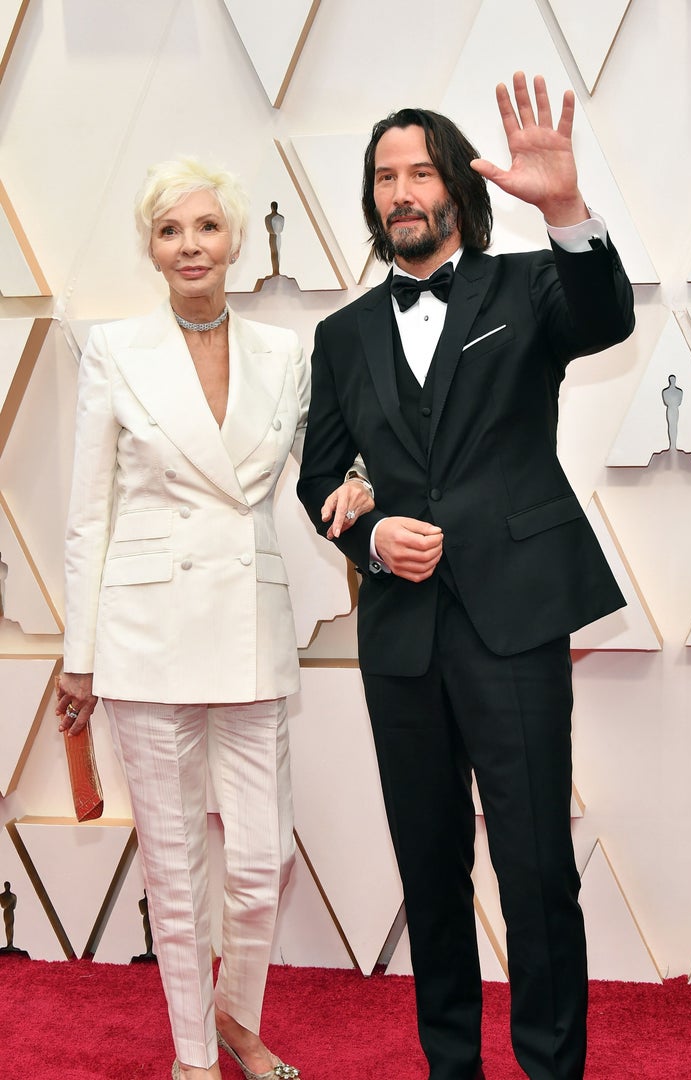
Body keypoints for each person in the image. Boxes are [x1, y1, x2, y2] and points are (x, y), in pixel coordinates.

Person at [297, 73, 635, 1080]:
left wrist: (566, 207)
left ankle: (550, 1066)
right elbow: (323, 475)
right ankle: (451, 1063)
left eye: (420, 171)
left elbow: (605, 316)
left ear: (456, 189)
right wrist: (369, 540)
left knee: (534, 868)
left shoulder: (526, 286)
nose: (401, 191)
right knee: (430, 870)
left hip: (516, 621)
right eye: (384, 176)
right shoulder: (341, 333)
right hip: (401, 635)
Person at [55, 157, 374, 1080]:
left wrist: (359, 484)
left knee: (261, 859)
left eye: (204, 227)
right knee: (176, 865)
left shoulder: (287, 353)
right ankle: (194, 1057)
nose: (190, 246)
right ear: (152, 251)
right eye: (170, 231)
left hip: (249, 622)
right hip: (145, 633)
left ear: (233, 240)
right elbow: (88, 514)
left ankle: (238, 1018)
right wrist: (79, 656)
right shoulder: (115, 351)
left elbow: (326, 464)